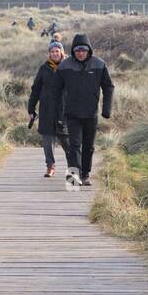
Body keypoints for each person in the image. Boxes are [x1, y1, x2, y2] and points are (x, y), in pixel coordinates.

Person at [55, 33, 114, 186]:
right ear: (73, 51)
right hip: (71, 112)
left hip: (91, 112)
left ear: (89, 50)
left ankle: (86, 174)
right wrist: (57, 112)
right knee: (74, 145)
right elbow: (55, 90)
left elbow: (108, 87)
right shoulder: (64, 66)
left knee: (89, 146)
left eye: (84, 50)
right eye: (77, 50)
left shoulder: (99, 64)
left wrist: (106, 109)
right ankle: (73, 178)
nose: (81, 52)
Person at [27, 40, 68, 178]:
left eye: (57, 51)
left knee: (68, 142)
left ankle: (74, 167)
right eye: (52, 51)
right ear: (49, 54)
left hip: (65, 111)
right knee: (47, 141)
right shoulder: (44, 68)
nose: (55, 54)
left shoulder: (69, 66)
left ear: (62, 52)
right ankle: (50, 166)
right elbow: (36, 89)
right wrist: (31, 107)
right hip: (47, 110)